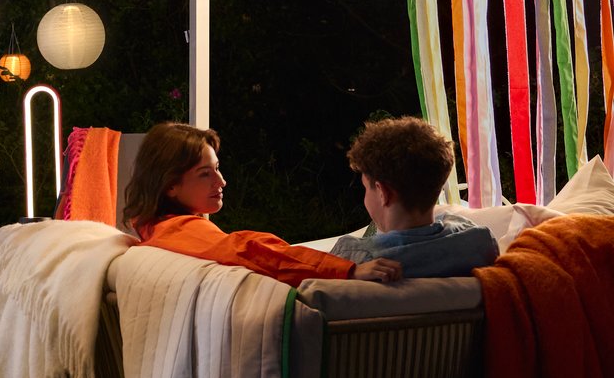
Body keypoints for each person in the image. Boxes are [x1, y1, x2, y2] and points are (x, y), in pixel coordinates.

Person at [124, 122, 401, 287]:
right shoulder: (180, 230)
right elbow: (246, 251)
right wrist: (349, 271)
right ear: (170, 185)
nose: (221, 182)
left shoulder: (155, 229)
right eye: (204, 174)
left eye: (217, 168)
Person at [330, 117, 497, 277]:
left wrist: (347, 271)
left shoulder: (351, 259)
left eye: (366, 188)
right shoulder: (479, 244)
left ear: (383, 193)